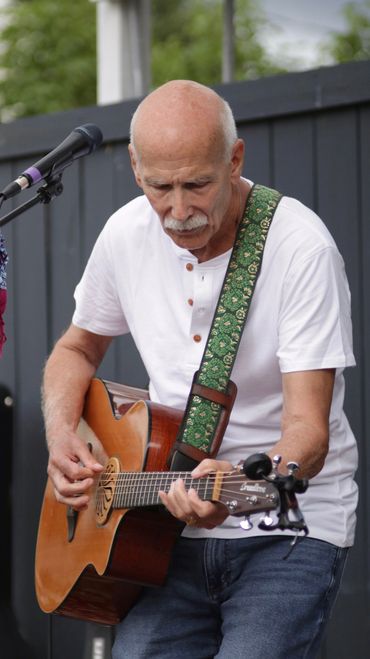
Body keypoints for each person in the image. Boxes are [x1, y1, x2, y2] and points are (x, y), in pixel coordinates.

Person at [42, 80, 358, 659]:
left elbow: (309, 433)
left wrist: (240, 489)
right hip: (164, 532)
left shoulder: (300, 248)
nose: (179, 211)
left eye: (198, 184)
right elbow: (75, 350)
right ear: (136, 167)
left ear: (235, 159)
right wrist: (61, 435)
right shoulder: (125, 234)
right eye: (159, 186)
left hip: (287, 528)